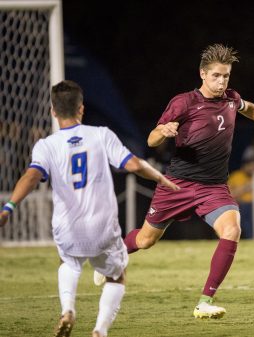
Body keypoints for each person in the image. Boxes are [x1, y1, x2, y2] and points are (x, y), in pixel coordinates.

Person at [122, 43, 254, 319]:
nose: (221, 81)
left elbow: (249, 108)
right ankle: (110, 257)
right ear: (203, 74)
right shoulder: (184, 102)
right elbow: (151, 138)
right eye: (216, 75)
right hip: (177, 184)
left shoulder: (231, 98)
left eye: (226, 76)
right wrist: (164, 130)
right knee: (145, 241)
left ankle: (205, 301)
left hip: (214, 187)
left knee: (232, 230)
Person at [0, 80, 179, 337]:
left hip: (67, 226)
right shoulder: (101, 135)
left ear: (53, 110)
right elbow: (134, 164)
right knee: (116, 278)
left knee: (69, 262)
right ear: (81, 109)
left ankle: (68, 309)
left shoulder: (46, 145)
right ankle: (100, 330)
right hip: (102, 226)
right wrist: (160, 178)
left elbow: (30, 176)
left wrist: (8, 207)